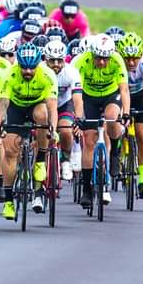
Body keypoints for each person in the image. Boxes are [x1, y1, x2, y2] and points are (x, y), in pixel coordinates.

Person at [0, 43, 59, 219]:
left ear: (38, 64)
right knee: (10, 152)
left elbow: (52, 107)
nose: (27, 71)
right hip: (15, 108)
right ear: (18, 64)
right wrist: (0, 126)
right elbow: (3, 105)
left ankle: (40, 159)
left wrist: (52, 129)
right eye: (24, 67)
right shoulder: (9, 75)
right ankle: (8, 201)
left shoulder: (47, 75)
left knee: (42, 114)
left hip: (36, 105)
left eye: (32, 68)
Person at [72, 34, 130, 209]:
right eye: (98, 58)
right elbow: (76, 94)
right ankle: (87, 189)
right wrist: (78, 118)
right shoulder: (81, 62)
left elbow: (124, 90)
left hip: (110, 95)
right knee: (89, 140)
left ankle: (115, 152)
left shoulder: (117, 60)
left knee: (112, 118)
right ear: (92, 54)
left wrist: (126, 113)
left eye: (106, 59)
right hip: (88, 97)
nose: (102, 62)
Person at [117, 32, 143, 198]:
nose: (131, 62)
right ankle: (117, 153)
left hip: (140, 96)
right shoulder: (116, 62)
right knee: (116, 127)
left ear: (140, 55)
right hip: (120, 94)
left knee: (142, 134)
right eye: (127, 58)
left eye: (135, 58)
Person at [42, 39, 84, 182]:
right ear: (45, 59)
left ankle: (65, 160)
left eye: (59, 60)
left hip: (64, 104)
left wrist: (78, 119)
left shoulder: (71, 72)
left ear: (65, 59)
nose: (56, 64)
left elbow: (77, 99)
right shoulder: (40, 70)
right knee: (41, 133)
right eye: (52, 60)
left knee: (66, 130)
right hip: (45, 105)